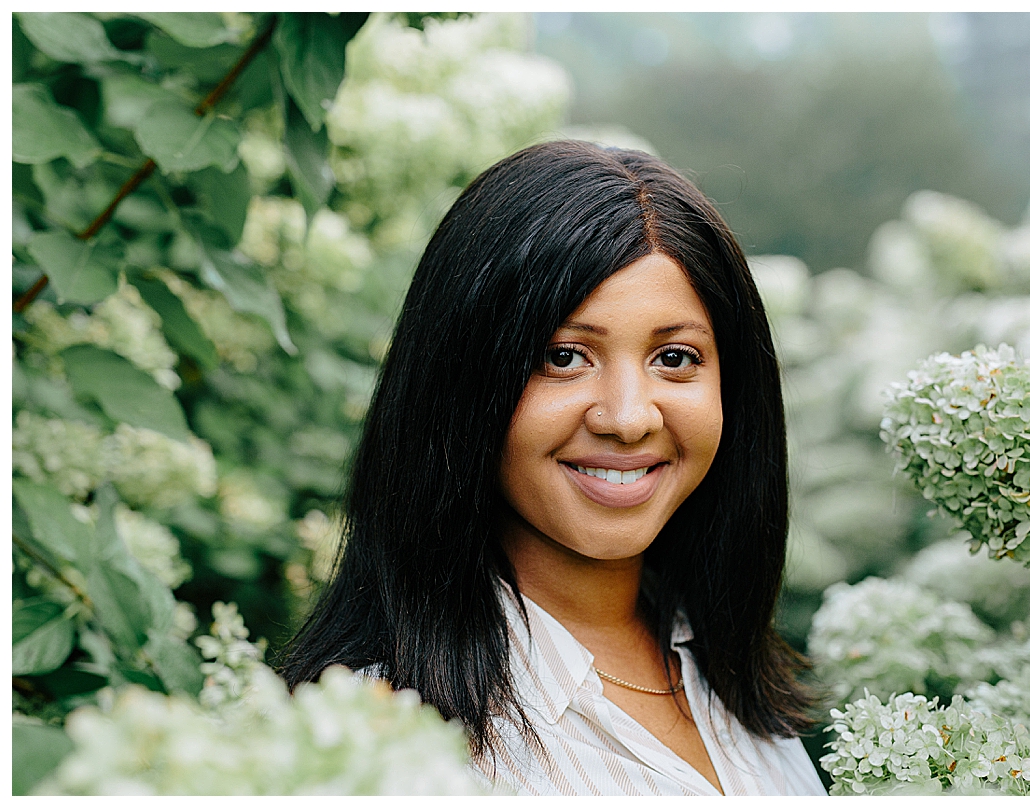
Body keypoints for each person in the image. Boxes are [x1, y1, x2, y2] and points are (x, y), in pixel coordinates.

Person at [281, 140, 826, 796]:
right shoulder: (379, 747)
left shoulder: (732, 681)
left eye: (676, 358)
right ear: (461, 383)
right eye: (564, 357)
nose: (628, 418)